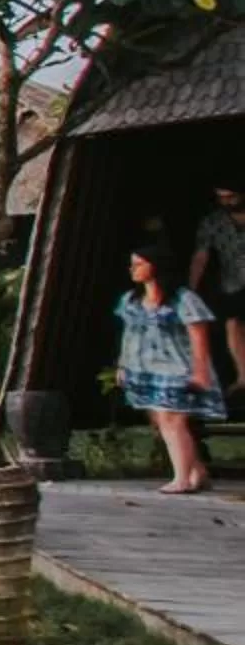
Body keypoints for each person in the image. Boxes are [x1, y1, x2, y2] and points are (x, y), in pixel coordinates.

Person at [120, 243, 223, 494]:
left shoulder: (183, 298)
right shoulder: (132, 300)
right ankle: (196, 472)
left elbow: (199, 335)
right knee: (160, 420)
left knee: (172, 420)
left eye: (139, 263)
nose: (133, 269)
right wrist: (123, 365)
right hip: (143, 367)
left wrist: (200, 370)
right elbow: (128, 334)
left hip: (177, 367)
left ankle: (182, 478)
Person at [189, 181, 245, 393]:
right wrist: (191, 288)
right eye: (221, 197)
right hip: (233, 283)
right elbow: (201, 255)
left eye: (231, 196)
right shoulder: (213, 222)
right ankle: (243, 377)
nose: (227, 201)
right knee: (233, 324)